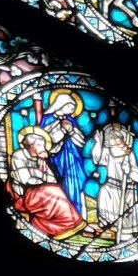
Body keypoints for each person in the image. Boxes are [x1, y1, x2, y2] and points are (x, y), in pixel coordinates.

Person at [7, 126, 87, 240]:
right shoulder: (18, 156)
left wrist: (42, 172)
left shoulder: (41, 160)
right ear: (30, 145)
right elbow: (27, 180)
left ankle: (69, 224)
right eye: (39, 145)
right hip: (26, 195)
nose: (43, 148)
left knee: (56, 190)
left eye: (43, 145)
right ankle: (69, 223)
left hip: (44, 192)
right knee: (53, 191)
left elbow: (52, 180)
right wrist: (41, 175)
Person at [39, 90, 90, 219]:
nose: (72, 110)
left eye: (73, 108)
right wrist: (63, 130)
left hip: (73, 156)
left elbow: (80, 141)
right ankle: (66, 216)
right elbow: (47, 141)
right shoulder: (48, 119)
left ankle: (78, 215)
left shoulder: (70, 120)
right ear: (61, 104)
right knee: (63, 184)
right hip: (57, 158)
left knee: (78, 182)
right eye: (70, 107)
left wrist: (71, 130)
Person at [90, 123, 138, 242]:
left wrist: (129, 171)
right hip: (110, 186)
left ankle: (124, 232)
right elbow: (97, 159)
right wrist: (98, 143)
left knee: (124, 222)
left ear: (121, 139)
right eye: (110, 137)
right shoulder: (108, 152)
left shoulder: (129, 155)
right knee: (103, 192)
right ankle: (108, 227)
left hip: (126, 189)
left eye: (114, 138)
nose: (111, 140)